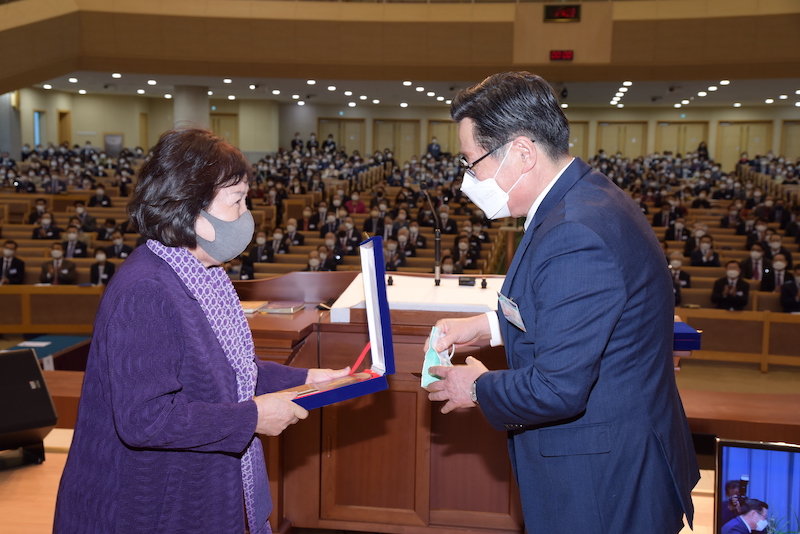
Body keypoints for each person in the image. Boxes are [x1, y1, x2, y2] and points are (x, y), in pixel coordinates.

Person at [424, 72, 698, 534]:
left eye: (473, 162)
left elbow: (557, 388)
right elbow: (577, 310)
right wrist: (488, 327)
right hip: (616, 454)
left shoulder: (575, 230)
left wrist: (475, 388)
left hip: (605, 480)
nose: (468, 179)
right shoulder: (583, 193)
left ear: (522, 152)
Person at [53, 127, 349, 533]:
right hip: (145, 506)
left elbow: (227, 374)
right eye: (237, 200)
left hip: (191, 493)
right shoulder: (146, 289)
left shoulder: (202, 274)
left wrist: (307, 379)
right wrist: (253, 417)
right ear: (190, 208)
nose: (247, 215)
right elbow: (146, 419)